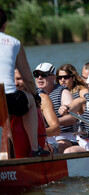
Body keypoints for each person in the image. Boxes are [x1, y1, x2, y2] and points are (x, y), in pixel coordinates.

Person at [0, 8, 49, 157]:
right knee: (31, 101)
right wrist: (35, 95)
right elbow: (27, 77)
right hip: (8, 97)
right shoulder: (14, 43)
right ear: (5, 24)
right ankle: (34, 149)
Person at [34, 62, 77, 153]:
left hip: (64, 136)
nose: (40, 77)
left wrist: (52, 123)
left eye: (44, 75)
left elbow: (72, 118)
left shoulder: (63, 92)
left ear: (53, 77)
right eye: (36, 75)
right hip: (44, 137)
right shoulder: (33, 94)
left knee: (59, 143)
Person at [15, 69, 61, 154]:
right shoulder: (7, 99)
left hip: (44, 142)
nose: (16, 83)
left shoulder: (42, 99)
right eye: (13, 79)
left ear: (28, 79)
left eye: (19, 79)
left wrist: (33, 134)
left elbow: (56, 129)